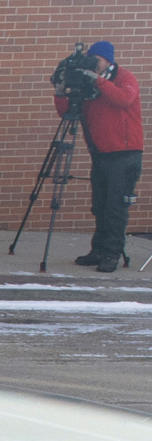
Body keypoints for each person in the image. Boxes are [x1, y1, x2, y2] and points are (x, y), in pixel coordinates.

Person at [54, 41, 144, 273]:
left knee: (115, 207)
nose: (94, 65)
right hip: (101, 153)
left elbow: (124, 99)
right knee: (100, 206)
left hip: (125, 154)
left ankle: (112, 254)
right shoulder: (90, 82)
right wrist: (61, 91)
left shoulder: (125, 78)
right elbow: (68, 113)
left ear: (108, 60)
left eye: (98, 60)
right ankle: (99, 250)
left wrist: (97, 80)